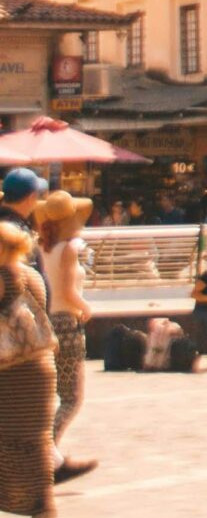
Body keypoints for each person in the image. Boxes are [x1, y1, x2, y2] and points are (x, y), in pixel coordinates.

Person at [35, 191, 97, 482]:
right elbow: (70, 292)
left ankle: (46, 452)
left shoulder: (42, 246)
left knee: (52, 393)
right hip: (68, 323)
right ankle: (48, 452)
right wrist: (86, 308)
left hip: (48, 321)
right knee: (71, 398)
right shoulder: (69, 248)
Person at [0, 218, 57, 518]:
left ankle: (43, 508)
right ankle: (43, 507)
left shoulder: (3, 276)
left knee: (18, 441)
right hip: (39, 366)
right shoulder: (31, 274)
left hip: (11, 372)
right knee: (35, 441)